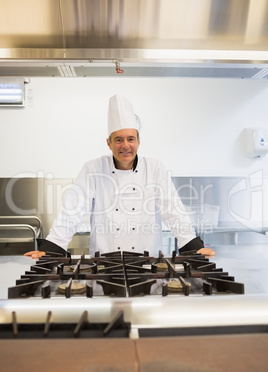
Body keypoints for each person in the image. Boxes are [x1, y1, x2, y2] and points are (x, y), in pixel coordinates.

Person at [25, 94, 215, 259]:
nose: (125, 145)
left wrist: (193, 246)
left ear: (139, 142)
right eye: (119, 139)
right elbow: (72, 211)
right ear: (109, 143)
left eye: (130, 139)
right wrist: (52, 248)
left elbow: (173, 211)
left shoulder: (155, 168)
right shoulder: (93, 169)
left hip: (147, 265)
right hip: (104, 264)